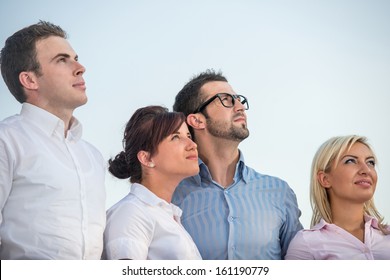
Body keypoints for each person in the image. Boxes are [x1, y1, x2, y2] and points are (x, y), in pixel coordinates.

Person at [0, 21, 106, 259]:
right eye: (62, 60)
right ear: (30, 80)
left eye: (75, 57)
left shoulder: (93, 156)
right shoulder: (6, 141)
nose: (80, 68)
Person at [171, 69, 303, 259]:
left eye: (239, 99)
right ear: (197, 120)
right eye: (226, 99)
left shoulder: (279, 191)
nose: (240, 106)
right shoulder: (171, 197)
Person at [103, 105, 201, 260]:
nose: (193, 145)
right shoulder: (131, 212)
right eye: (175, 137)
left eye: (188, 136)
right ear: (147, 158)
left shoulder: (168, 215)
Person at [286, 135, 390, 260]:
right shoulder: (306, 244)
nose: (366, 170)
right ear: (325, 179)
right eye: (350, 161)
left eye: (370, 162)